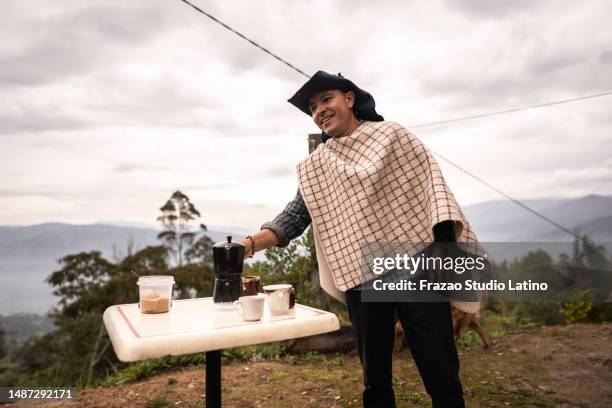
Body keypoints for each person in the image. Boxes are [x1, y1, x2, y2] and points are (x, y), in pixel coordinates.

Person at [238, 70, 480, 408]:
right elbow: (295, 215)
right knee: (375, 379)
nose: (319, 110)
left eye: (326, 99)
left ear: (350, 99)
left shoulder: (393, 136)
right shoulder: (317, 166)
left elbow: (433, 194)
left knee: (440, 370)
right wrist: (248, 245)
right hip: (361, 278)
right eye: (312, 107)